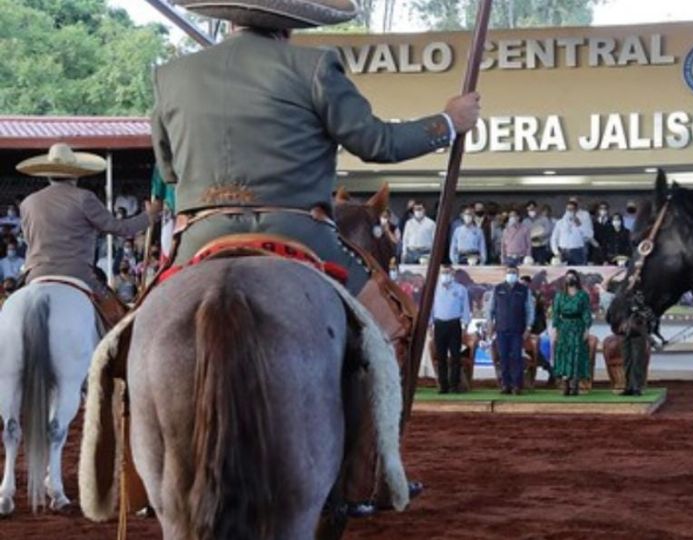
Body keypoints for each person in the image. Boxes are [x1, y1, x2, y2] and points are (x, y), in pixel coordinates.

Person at [151, 0, 481, 517]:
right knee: (389, 331)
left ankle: (128, 484)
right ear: (291, 22)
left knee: (129, 341)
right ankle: (364, 478)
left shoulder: (171, 75)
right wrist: (449, 122)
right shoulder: (314, 66)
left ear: (230, 16)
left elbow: (169, 171)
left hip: (199, 239)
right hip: (301, 234)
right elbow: (377, 142)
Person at [15, 143, 159, 320]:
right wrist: (149, 216)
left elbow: (29, 240)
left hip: (35, 274)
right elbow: (120, 228)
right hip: (78, 273)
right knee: (119, 320)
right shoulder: (84, 198)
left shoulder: (27, 203)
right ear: (76, 173)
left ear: (47, 173)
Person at [486, 265, 534, 395]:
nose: (511, 274)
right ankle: (505, 385)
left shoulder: (524, 290)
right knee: (503, 358)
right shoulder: (498, 289)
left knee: (517, 358)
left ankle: (517, 386)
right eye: (509, 272)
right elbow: (490, 309)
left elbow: (530, 310)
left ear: (517, 275)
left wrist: (528, 327)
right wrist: (490, 325)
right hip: (501, 329)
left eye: (513, 272)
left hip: (518, 330)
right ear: (505, 274)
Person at [430, 265, 471, 393]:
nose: (445, 274)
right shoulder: (434, 289)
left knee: (455, 356)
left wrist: (465, 325)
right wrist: (431, 325)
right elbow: (430, 309)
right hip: (439, 325)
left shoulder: (460, 289)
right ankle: (443, 385)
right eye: (443, 272)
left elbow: (465, 308)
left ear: (452, 274)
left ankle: (454, 385)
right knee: (441, 356)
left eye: (448, 272)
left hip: (454, 325)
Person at [552, 270, 593, 395]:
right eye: (568, 277)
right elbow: (555, 313)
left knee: (577, 354)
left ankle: (575, 385)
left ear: (577, 279)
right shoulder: (560, 295)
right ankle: (565, 385)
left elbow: (586, 312)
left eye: (572, 277)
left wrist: (587, 329)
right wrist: (555, 329)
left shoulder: (582, 295)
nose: (570, 279)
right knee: (564, 354)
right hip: (564, 328)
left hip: (578, 327)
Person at [609, 292, 653, 396]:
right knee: (626, 360)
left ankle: (637, 387)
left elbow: (648, 314)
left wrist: (638, 316)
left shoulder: (641, 296)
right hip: (623, 332)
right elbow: (611, 314)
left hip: (637, 331)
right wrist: (618, 324)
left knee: (637, 359)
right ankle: (628, 386)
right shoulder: (618, 299)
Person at [520, 274, 555, 384]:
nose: (522, 285)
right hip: (523, 327)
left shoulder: (533, 295)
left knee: (533, 350)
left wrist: (529, 328)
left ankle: (549, 370)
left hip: (534, 327)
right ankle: (547, 370)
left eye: (524, 283)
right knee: (530, 351)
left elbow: (533, 313)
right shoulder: (520, 294)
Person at [550, 200, 589, 265]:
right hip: (563, 252)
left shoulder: (583, 222)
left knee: (579, 271)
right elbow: (554, 238)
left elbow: (588, 235)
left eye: (572, 209)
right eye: (568, 209)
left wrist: (580, 225)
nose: (570, 211)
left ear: (576, 210)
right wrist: (556, 252)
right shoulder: (560, 223)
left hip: (577, 252)